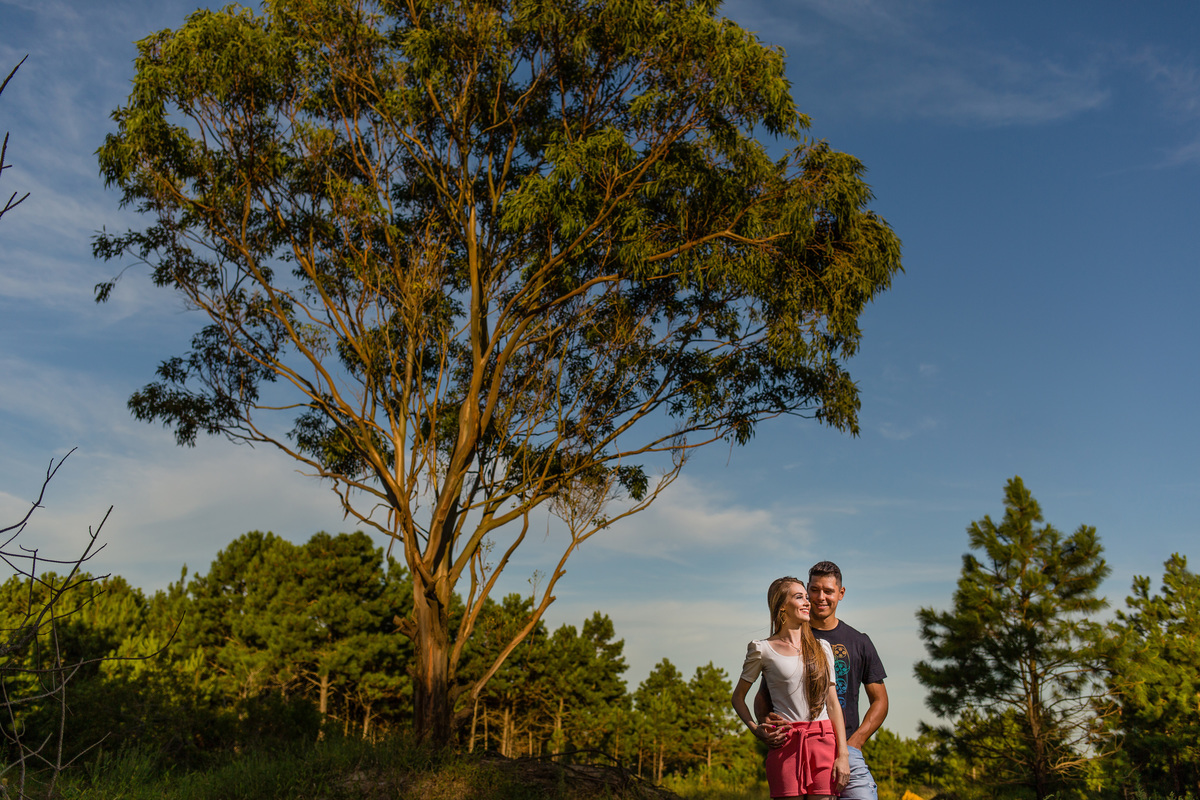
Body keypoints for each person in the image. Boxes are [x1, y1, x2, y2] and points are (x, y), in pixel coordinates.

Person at [756, 561, 889, 800]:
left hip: (846, 750)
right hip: (797, 749)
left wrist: (855, 742)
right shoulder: (788, 641)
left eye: (828, 591)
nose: (820, 597)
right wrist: (765, 724)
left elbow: (880, 701)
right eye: (814, 590)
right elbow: (763, 697)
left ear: (841, 593)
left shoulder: (859, 642)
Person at [732, 576, 850, 799]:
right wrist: (756, 729)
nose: (807, 602)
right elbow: (738, 697)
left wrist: (843, 755)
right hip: (785, 743)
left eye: (806, 597)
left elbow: (833, 704)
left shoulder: (822, 648)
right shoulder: (762, 649)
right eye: (799, 597)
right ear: (782, 606)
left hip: (824, 740)